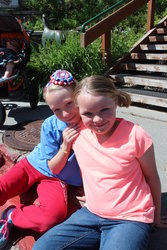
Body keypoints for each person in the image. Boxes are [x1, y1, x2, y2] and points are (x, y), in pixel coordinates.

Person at [33, 75, 167, 250]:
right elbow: (84, 167)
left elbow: (152, 178)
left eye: (104, 110)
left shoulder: (136, 136)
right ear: (78, 110)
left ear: (116, 102)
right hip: (91, 213)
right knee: (42, 247)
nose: (97, 120)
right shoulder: (78, 133)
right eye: (88, 113)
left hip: (129, 217)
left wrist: (156, 217)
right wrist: (91, 192)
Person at [0, 69, 82, 249]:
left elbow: (56, 171)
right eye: (56, 110)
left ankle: (11, 216)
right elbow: (51, 163)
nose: (65, 114)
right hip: (35, 165)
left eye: (69, 104)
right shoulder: (51, 124)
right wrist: (65, 146)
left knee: (52, 216)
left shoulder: (90, 121)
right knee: (3, 186)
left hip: (57, 177)